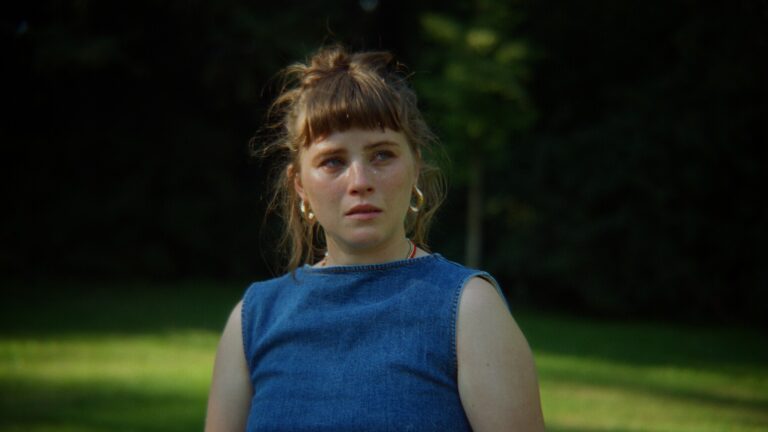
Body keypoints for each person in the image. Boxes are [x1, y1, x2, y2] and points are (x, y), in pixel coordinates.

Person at [205, 45, 545, 432]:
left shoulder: (469, 309)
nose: (360, 182)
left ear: (415, 167)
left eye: (382, 155)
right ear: (300, 185)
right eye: (333, 161)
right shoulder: (252, 320)